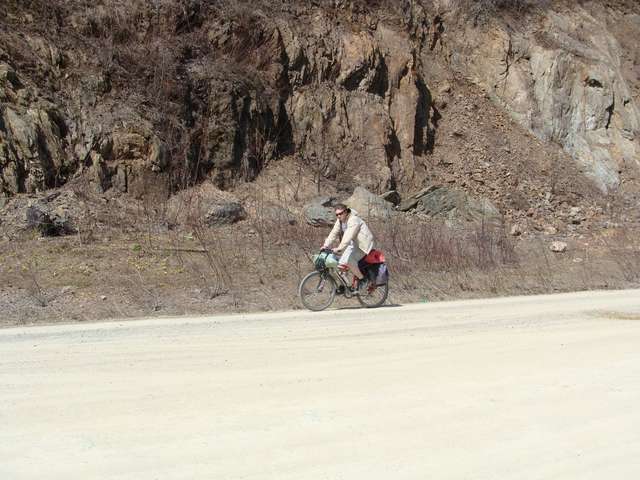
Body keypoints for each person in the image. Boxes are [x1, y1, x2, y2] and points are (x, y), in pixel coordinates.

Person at [322, 203, 374, 292]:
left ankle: (363, 279)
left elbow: (348, 236)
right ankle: (345, 286)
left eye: (340, 213)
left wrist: (339, 248)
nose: (339, 216)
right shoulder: (340, 220)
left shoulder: (354, 220)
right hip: (352, 244)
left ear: (346, 211)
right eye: (337, 214)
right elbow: (334, 233)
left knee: (350, 261)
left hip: (363, 245)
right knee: (339, 264)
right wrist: (325, 245)